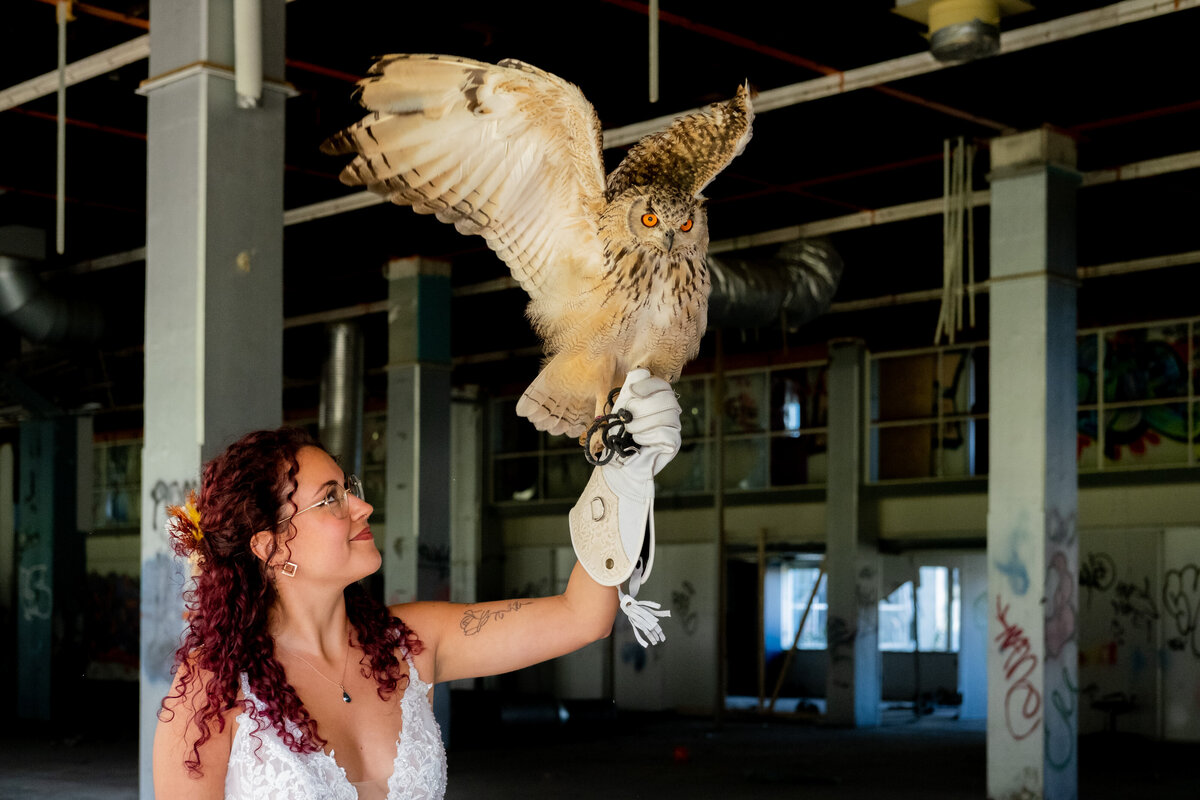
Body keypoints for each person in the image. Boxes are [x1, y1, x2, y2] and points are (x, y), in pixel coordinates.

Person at [152, 370, 681, 799]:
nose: (363, 506)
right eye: (331, 497)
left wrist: (621, 475)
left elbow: (581, 616)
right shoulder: (213, 687)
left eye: (349, 488)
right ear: (269, 547)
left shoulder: (409, 642)